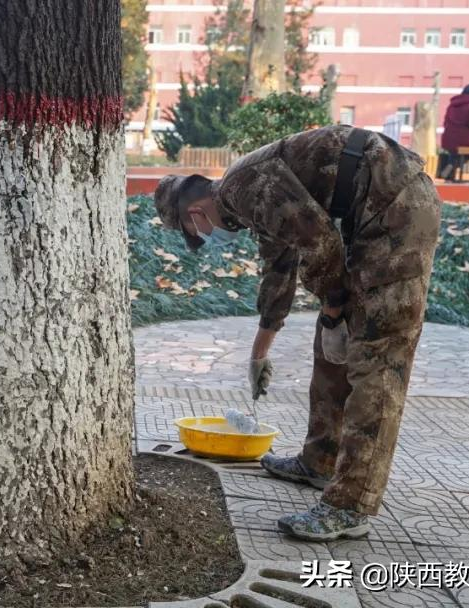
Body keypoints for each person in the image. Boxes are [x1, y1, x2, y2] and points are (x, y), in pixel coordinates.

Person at [153, 125, 441, 541]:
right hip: (371, 214)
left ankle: (350, 504)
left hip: (397, 210)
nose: (203, 239)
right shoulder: (245, 201)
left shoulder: (246, 188)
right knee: (331, 343)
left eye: (194, 235)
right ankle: (320, 460)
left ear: (194, 215)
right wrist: (259, 352)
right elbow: (279, 269)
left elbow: (319, 244)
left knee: (378, 360)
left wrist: (334, 306)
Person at [439, 83, 469, 180]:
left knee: (453, 155)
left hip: (448, 138)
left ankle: (449, 174)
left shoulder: (452, 105)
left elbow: (445, 122)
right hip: (464, 139)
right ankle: (451, 168)